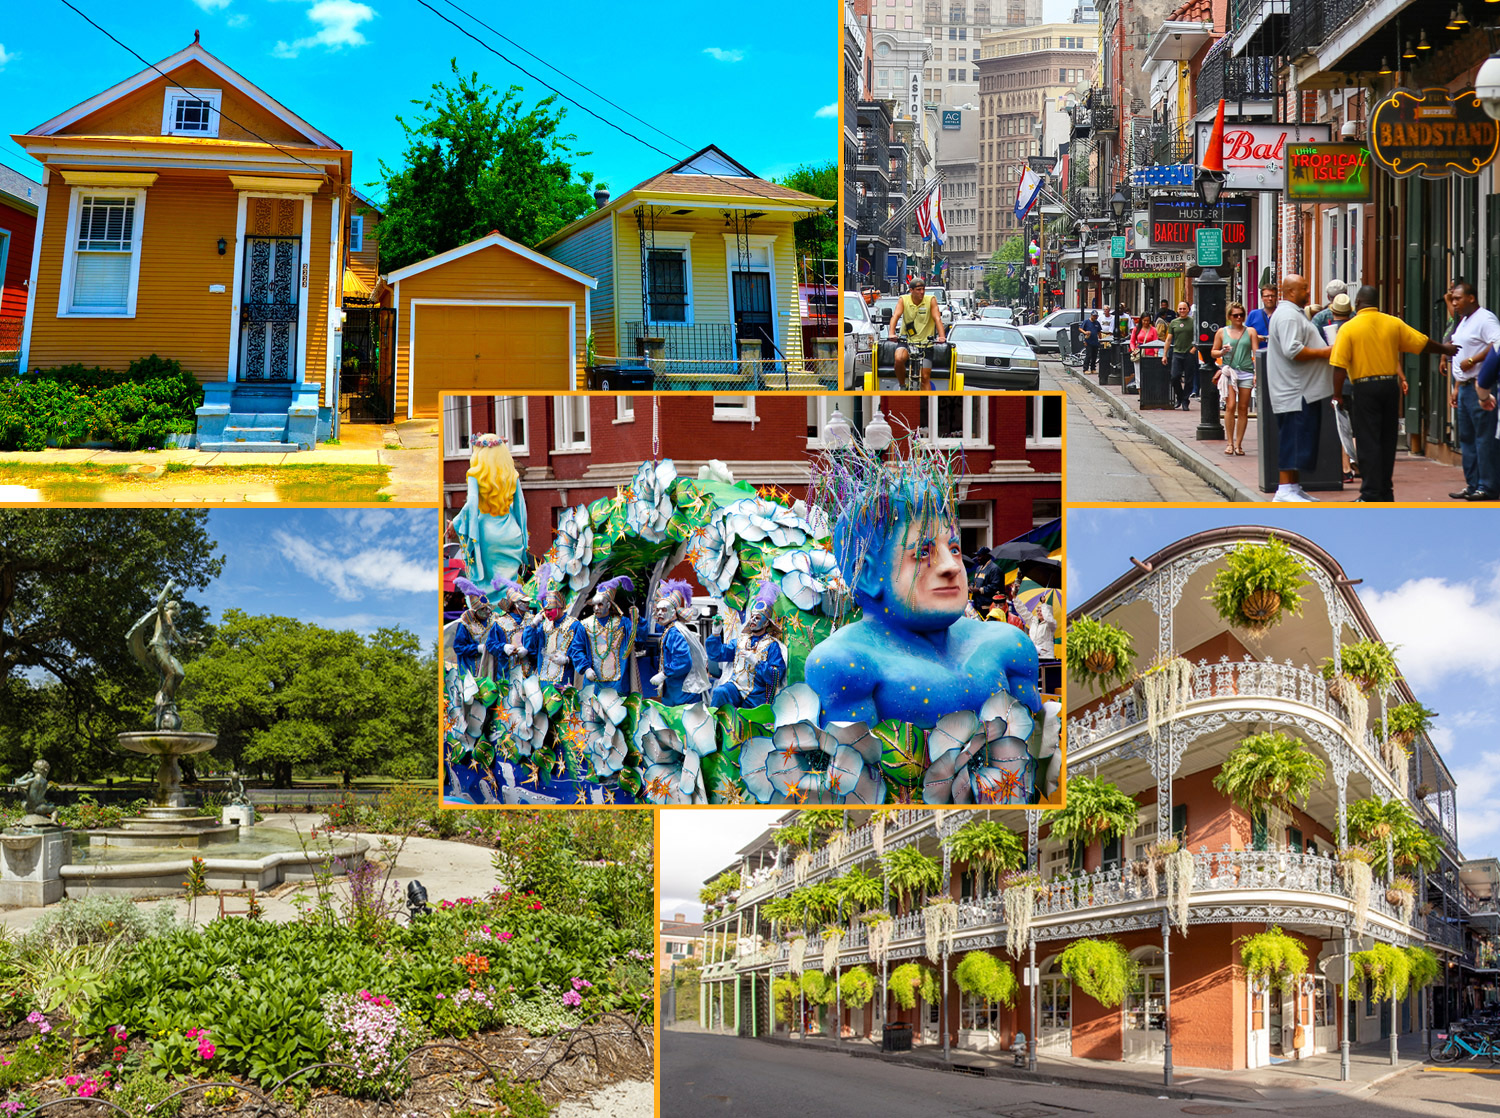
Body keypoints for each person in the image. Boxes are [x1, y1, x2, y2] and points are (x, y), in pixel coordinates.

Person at [804, 438, 1041, 727]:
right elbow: (849, 767)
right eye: (923, 553)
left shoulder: (1009, 645)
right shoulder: (846, 664)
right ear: (865, 575)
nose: (952, 566)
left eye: (953, 548)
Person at [1329, 284, 1458, 502]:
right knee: (1387, 440)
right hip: (1389, 387)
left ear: (1358, 304)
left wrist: (1337, 394)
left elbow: (1339, 367)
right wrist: (1445, 349)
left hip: (1364, 387)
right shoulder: (1393, 323)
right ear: (1376, 303)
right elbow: (1422, 343)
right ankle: (1385, 491)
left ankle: (1370, 494)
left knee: (1368, 441)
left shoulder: (1348, 328)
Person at [1265, 274, 1334, 502]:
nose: (1308, 293)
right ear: (1291, 292)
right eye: (1304, 289)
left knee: (1299, 438)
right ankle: (1284, 489)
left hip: (1301, 389)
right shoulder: (1288, 316)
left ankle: (1293, 487)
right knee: (1293, 438)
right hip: (1296, 391)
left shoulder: (1290, 314)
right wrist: (1324, 352)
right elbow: (1292, 350)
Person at [1447, 280, 1500, 501]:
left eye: (1457, 298)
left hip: (1481, 386)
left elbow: (1497, 343)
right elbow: (1459, 353)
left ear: (1471, 298)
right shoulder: (1464, 321)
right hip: (1465, 386)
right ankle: (1472, 483)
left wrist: (1474, 359)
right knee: (1467, 438)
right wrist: (1457, 387)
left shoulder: (1485, 318)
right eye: (1453, 299)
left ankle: (1487, 485)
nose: (1454, 302)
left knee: (1484, 438)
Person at [450, 436, 528, 585]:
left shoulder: (475, 475)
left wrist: (455, 521)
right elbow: (520, 509)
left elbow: (471, 504)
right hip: (512, 533)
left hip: (488, 535)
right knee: (509, 586)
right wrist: (523, 539)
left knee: (487, 588)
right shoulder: (513, 475)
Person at [707, 581, 788, 709]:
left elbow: (776, 676)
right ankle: (715, 726)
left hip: (757, 695)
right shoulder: (741, 641)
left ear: (766, 623)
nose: (753, 620)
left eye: (757, 618)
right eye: (752, 617)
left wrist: (757, 663)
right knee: (719, 692)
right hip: (735, 688)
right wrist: (715, 635)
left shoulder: (772, 645)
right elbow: (717, 655)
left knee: (752, 718)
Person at [648, 579, 712, 706]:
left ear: (673, 612)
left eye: (664, 610)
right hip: (675, 688)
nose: (660, 613)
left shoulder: (675, 633)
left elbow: (684, 661)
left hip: (683, 691)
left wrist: (664, 673)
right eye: (658, 610)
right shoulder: (670, 629)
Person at [571, 576, 636, 691]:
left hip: (618, 685)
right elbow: (576, 649)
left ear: (609, 605)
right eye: (594, 605)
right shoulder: (584, 625)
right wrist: (586, 669)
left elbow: (638, 637)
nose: (596, 608)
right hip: (593, 684)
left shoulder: (623, 623)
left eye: (600, 604)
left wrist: (636, 620)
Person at [1211, 301, 1258, 457]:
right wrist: (1222, 352)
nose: (1239, 317)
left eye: (1241, 315)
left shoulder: (1250, 331)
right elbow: (1213, 352)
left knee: (1243, 408)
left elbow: (1256, 354)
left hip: (1246, 372)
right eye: (1235, 315)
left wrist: (1257, 373)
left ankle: (1239, 444)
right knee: (1230, 406)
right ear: (1229, 316)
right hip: (1230, 372)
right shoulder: (1221, 332)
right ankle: (1230, 442)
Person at [1321, 294, 1358, 483]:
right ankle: (1358, 462)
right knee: (1357, 427)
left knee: (1343, 428)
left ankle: (1346, 468)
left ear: (1333, 311)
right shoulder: (1356, 328)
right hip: (1358, 382)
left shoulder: (1330, 331)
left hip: (1338, 384)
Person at [889, 277, 947, 390]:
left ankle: (928, 404)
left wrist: (942, 336)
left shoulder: (931, 300)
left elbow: (937, 319)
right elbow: (895, 316)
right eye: (918, 289)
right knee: (899, 358)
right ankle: (902, 385)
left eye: (923, 289)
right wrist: (892, 333)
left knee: (925, 377)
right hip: (907, 342)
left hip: (926, 344)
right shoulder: (903, 299)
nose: (922, 292)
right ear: (911, 290)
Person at [1167, 301, 1197, 409]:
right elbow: (1169, 339)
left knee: (1189, 379)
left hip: (1189, 353)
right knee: (1174, 377)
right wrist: (1164, 354)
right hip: (1177, 353)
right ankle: (1179, 397)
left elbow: (1198, 337)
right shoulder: (1174, 322)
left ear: (1188, 310)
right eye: (1180, 309)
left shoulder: (1193, 322)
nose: (1182, 311)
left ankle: (1185, 400)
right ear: (1177, 310)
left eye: (1184, 309)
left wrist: (1194, 349)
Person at [1245, 285, 1277, 350]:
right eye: (1267, 296)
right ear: (1262, 298)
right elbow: (1245, 336)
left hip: (1278, 355)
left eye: (1272, 296)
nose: (1270, 299)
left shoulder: (1281, 314)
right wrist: (1256, 337)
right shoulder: (1253, 314)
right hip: (1258, 354)